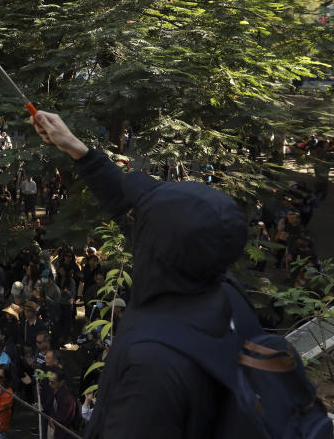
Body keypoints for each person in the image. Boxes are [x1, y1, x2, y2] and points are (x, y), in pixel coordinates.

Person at [30, 110, 249, 439]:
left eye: (140, 218)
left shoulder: (154, 365)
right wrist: (74, 146)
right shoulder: (223, 291)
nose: (130, 218)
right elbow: (122, 202)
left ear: (152, 245)